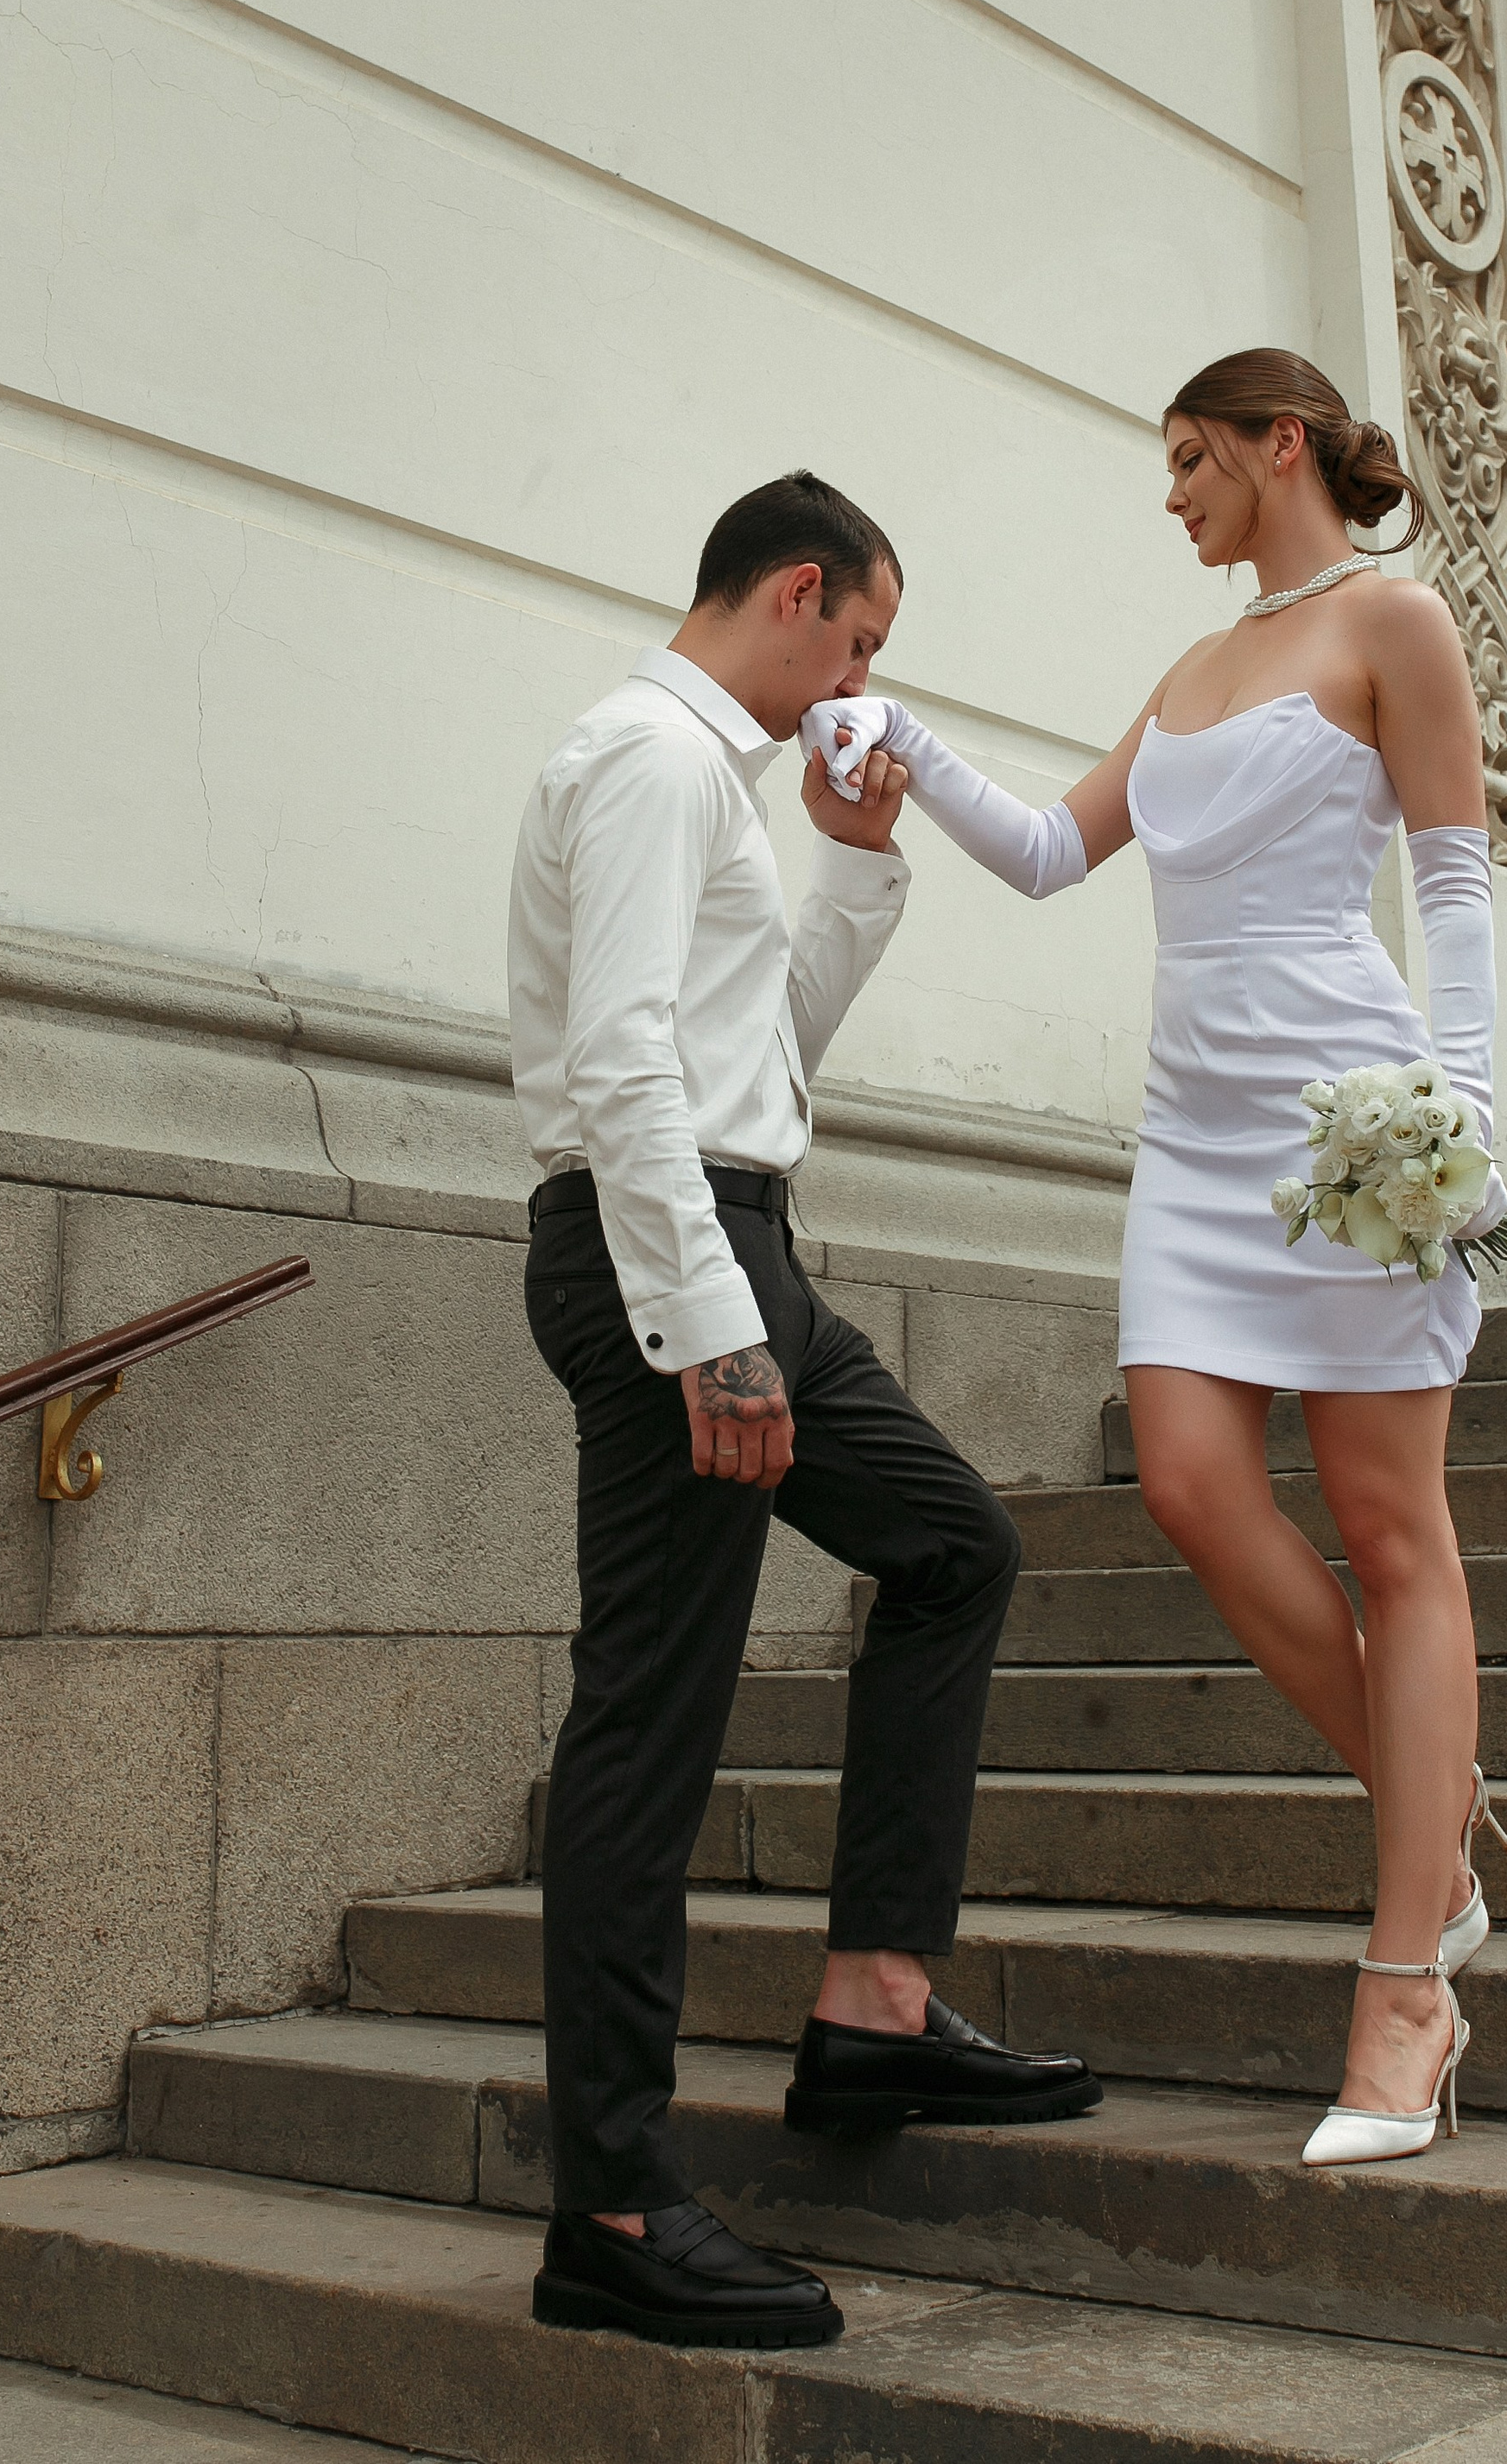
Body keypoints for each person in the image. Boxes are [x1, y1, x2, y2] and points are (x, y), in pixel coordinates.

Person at [803, 353, 1507, 2170]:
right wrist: (907, 750)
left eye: (1193, 457)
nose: (1173, 491)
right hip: (1193, 1142)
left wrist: (1468, 1121)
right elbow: (1055, 853)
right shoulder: (1192, 669)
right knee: (1193, 1487)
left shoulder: (1396, 622)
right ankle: (1434, 1831)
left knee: (1391, 1532)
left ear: (1282, 445)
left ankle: (1405, 1985)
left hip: (1353, 1118)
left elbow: (1450, 883)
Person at [510, 470, 1101, 2354]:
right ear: (791, 592)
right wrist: (708, 1331)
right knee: (652, 1717)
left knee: (952, 1548)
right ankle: (611, 2205)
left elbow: (761, 1055)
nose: (859, 684)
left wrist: (855, 859)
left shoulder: (720, 782)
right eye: (857, 642)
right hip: (672, 1261)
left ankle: (872, 2008)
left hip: (738, 1238)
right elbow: (620, 1062)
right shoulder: (649, 756)